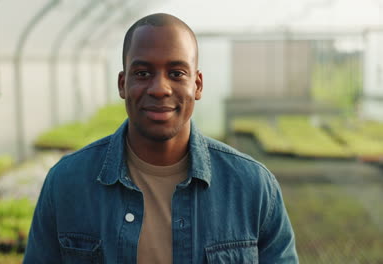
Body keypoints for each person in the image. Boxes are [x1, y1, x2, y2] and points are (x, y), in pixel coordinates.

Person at [24, 13, 298, 263]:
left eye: (177, 73)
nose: (159, 89)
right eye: (143, 73)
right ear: (122, 84)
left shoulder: (252, 187)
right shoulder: (67, 184)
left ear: (197, 85)